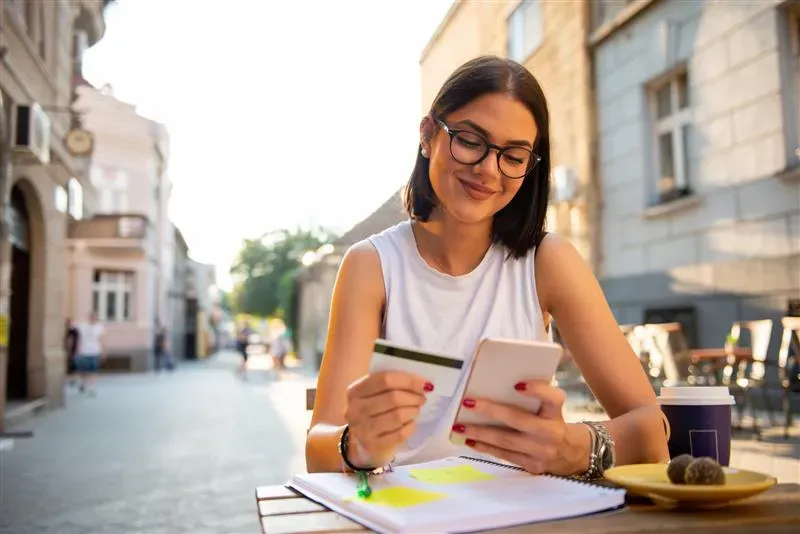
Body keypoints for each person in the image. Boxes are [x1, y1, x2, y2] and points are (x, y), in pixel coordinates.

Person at [306, 56, 669, 477]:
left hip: (523, 518)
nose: (487, 169)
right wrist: (357, 444)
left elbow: (652, 432)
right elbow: (319, 451)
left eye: (513, 156)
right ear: (427, 135)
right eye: (470, 140)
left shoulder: (546, 261)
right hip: (405, 516)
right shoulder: (371, 265)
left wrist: (572, 446)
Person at [75, 312, 105, 395]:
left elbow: (101, 340)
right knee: (83, 370)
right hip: (84, 351)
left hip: (95, 351)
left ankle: (92, 387)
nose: (93, 319)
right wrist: (77, 350)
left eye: (94, 317)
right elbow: (79, 338)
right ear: (89, 317)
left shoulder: (99, 327)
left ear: (96, 318)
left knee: (94, 370)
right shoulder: (83, 326)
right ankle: (83, 383)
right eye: (91, 317)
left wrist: (103, 351)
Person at [64, 318, 80, 386]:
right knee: (71, 366)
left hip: (73, 351)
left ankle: (74, 380)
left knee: (74, 366)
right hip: (69, 351)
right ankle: (72, 380)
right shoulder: (68, 330)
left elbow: (72, 341)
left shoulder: (73, 330)